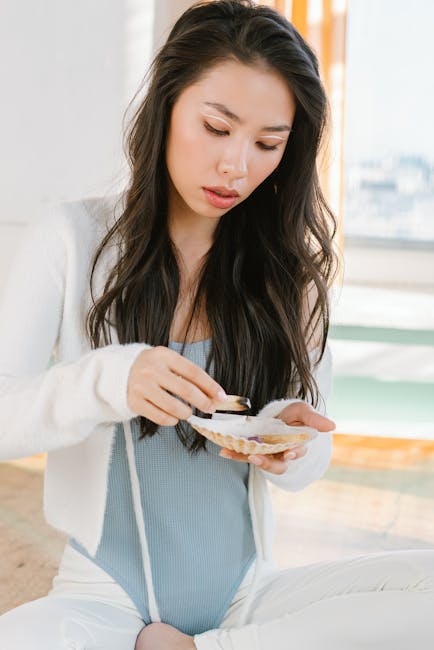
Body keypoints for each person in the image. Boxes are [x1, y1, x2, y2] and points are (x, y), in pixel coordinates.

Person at [0, 0, 433, 648]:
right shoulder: (72, 238)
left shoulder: (288, 273)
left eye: (267, 144)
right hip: (102, 600)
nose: (238, 166)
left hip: (247, 600)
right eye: (216, 127)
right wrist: (110, 380)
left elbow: (312, 452)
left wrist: (294, 443)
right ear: (169, 105)